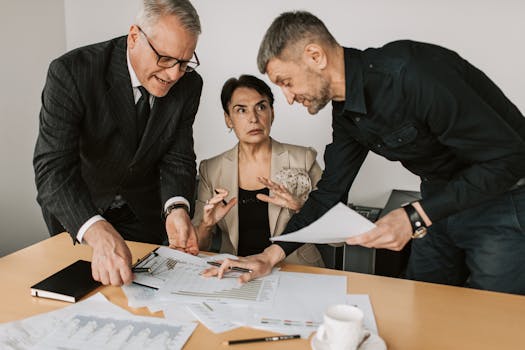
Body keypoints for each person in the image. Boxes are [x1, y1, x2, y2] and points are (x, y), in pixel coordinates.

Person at [206, 10, 525, 294]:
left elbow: (510, 157)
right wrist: (270, 255)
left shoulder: (413, 74)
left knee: (492, 320)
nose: (288, 98)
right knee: (426, 303)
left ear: (315, 56)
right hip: (438, 202)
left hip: (501, 200)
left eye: (286, 82)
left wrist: (415, 215)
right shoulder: (345, 114)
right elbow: (329, 192)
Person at [33, 0, 203, 286]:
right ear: (135, 36)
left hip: (143, 215)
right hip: (80, 214)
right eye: (165, 58)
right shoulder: (71, 72)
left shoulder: (189, 84)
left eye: (184, 62)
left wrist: (176, 208)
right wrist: (96, 229)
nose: (174, 74)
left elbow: (178, 157)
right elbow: (52, 169)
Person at [193, 75, 324, 267]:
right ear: (228, 119)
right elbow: (198, 247)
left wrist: (300, 208)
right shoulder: (211, 169)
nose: (253, 118)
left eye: (261, 107)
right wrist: (207, 225)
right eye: (241, 110)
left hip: (296, 270)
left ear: (272, 113)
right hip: (236, 272)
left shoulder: (303, 159)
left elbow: (336, 238)